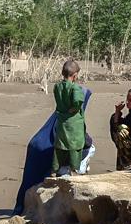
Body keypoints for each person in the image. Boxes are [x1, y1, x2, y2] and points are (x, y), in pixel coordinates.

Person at [14, 85, 93, 215]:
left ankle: (21, 209)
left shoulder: (62, 113)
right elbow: (71, 137)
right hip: (46, 148)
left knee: (29, 182)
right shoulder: (70, 118)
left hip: (38, 144)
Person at [52, 60, 86, 176]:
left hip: (62, 121)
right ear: (75, 75)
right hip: (73, 123)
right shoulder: (75, 88)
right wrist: (75, 108)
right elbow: (78, 101)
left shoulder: (57, 87)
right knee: (75, 147)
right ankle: (74, 170)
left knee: (60, 146)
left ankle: (54, 170)